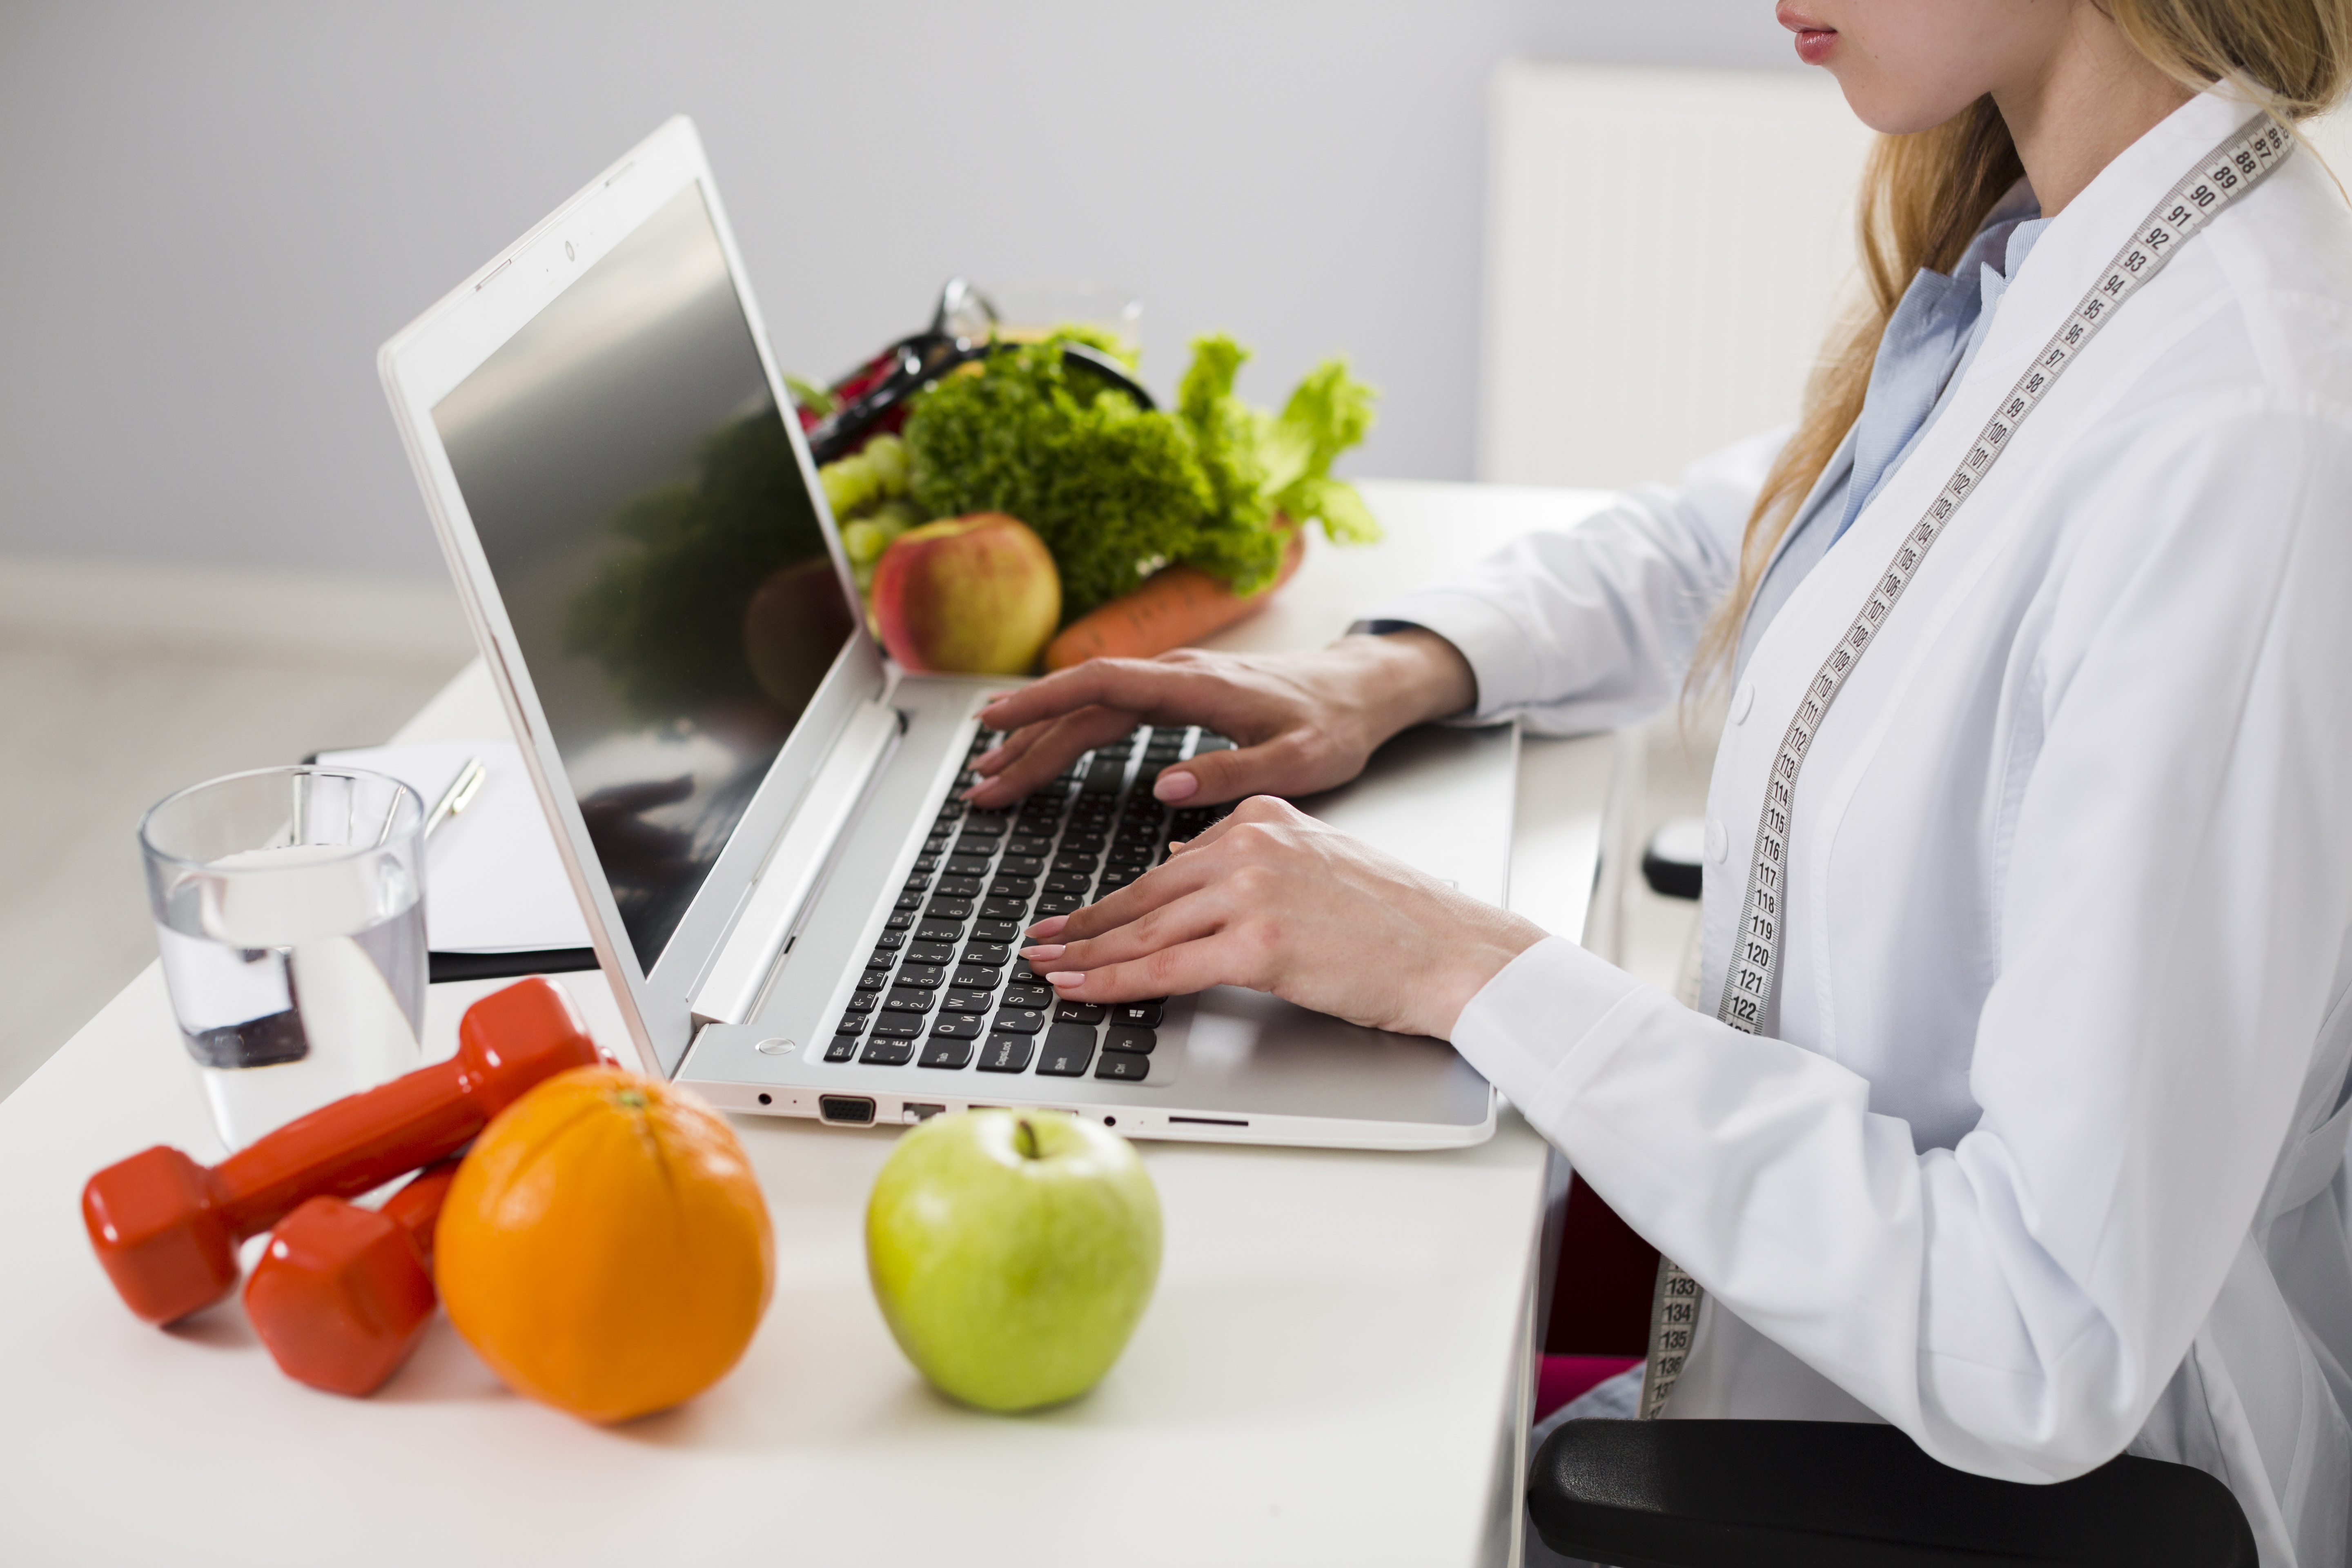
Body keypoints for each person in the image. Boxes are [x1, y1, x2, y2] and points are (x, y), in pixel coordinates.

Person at [968, 2, 2352, 1561]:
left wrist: (1465, 965)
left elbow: (2046, 1337)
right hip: (1798, 1378)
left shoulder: (2244, 439)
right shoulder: (2073, 247)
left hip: (1951, 1492)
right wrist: (1393, 669)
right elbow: (1747, 529)